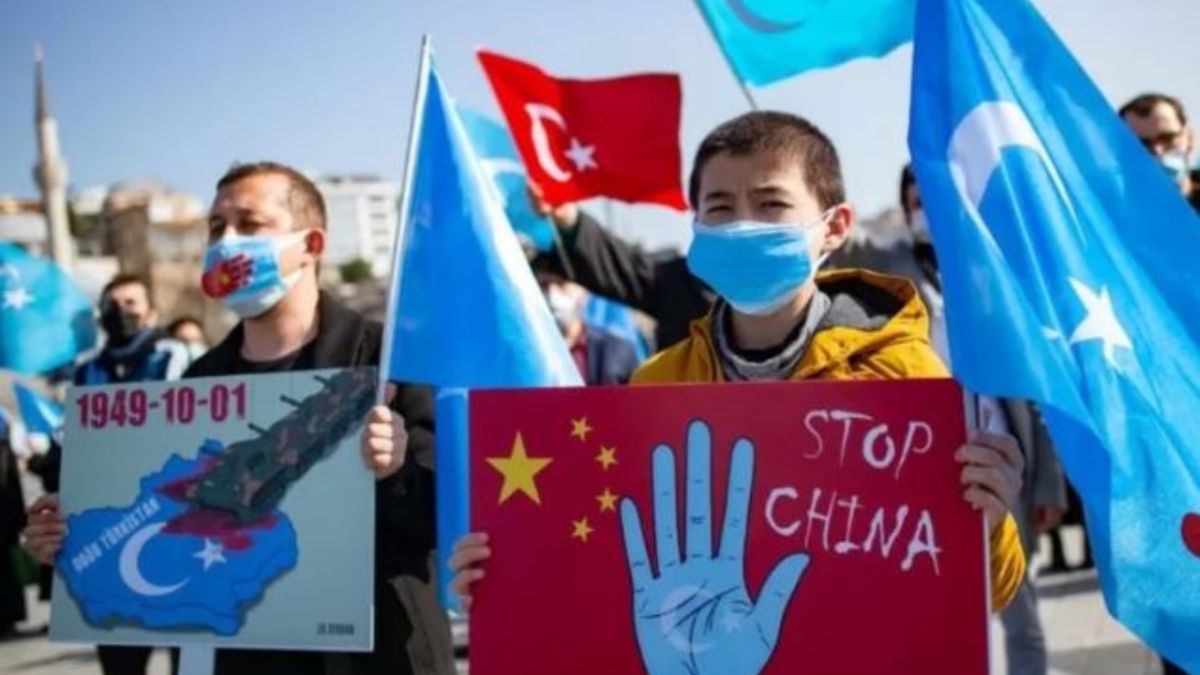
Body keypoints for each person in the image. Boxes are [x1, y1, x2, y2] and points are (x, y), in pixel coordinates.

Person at [451, 112, 1028, 618]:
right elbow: (613, 556)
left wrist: (989, 521)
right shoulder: (657, 386)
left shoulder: (905, 376)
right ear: (696, 226)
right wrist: (508, 576)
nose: (742, 225)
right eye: (720, 208)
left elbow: (986, 595)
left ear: (833, 227)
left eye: (771, 204)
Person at [23, 161, 452, 675]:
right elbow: (170, 517)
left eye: (250, 224)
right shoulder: (199, 383)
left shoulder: (389, 361)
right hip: (249, 655)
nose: (227, 242)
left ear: (311, 245)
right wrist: (74, 533)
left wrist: (395, 471)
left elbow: (447, 519)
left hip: (378, 656)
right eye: (216, 227)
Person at [530, 185, 711, 351]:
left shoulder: (616, 351)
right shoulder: (682, 284)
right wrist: (569, 219)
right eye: (719, 206)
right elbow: (620, 266)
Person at [532, 255, 640, 385]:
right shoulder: (528, 347)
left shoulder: (617, 351)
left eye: (561, 284)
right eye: (544, 285)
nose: (552, 294)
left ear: (584, 290)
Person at [75, 274, 191, 386]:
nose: (120, 310)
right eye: (112, 305)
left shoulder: (169, 356)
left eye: (130, 303)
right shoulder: (87, 369)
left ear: (152, 315)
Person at [1119, 92, 1199, 212]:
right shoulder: (1104, 209)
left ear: (1190, 137)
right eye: (1142, 143)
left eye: (1167, 138)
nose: (1158, 151)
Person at [0, 419, 27, 639]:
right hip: (8, 530)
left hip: (5, 529)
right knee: (8, 577)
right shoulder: (8, 459)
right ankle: (9, 620)